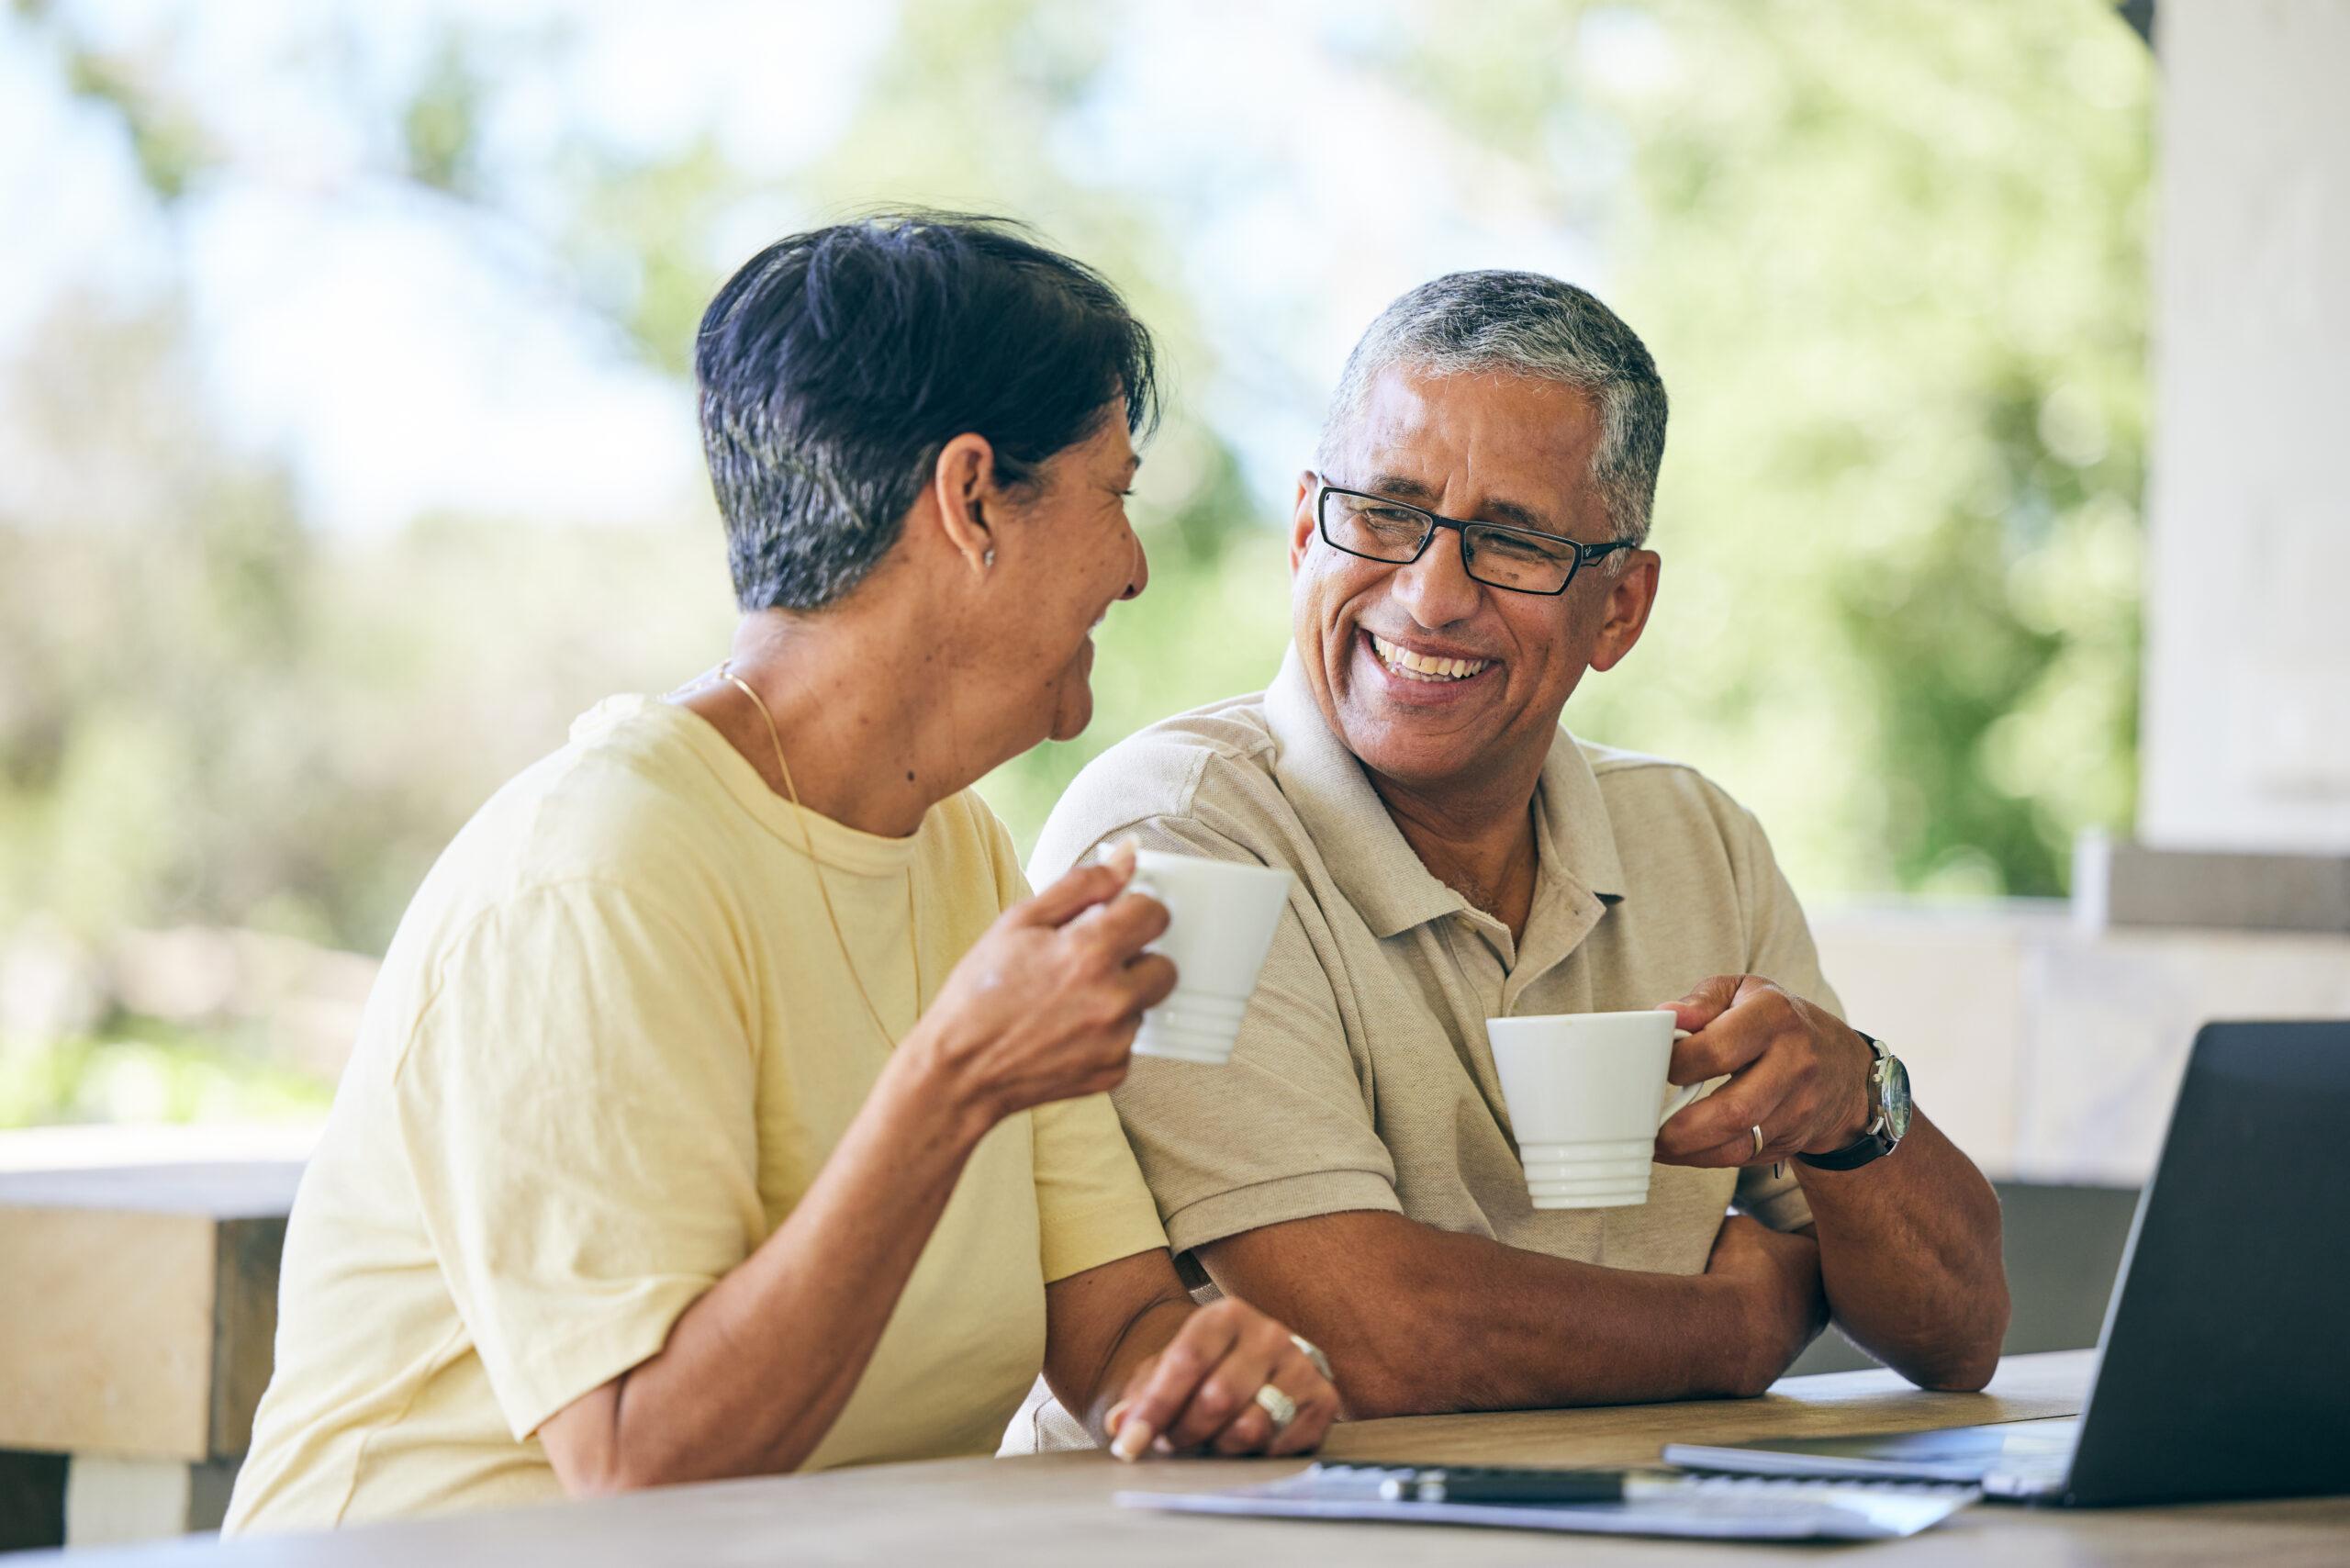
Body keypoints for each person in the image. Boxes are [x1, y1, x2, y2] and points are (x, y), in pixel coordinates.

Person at [225, 214, 1337, 1534]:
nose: (1138, 566)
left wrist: (1207, 1377)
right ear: (972, 498)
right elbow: (643, 1469)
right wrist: (954, 1078)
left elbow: (1112, 1332)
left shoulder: (960, 848)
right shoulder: (598, 874)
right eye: (1116, 494)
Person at [1025, 270, 2010, 1428]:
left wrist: (1856, 1107)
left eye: (1511, 540)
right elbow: (1368, 1342)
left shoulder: (1698, 840)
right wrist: (1740, 1326)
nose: (1431, 595)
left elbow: (1959, 1335)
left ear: (1622, 609)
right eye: (1384, 514)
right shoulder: (1176, 837)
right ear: (1305, 530)